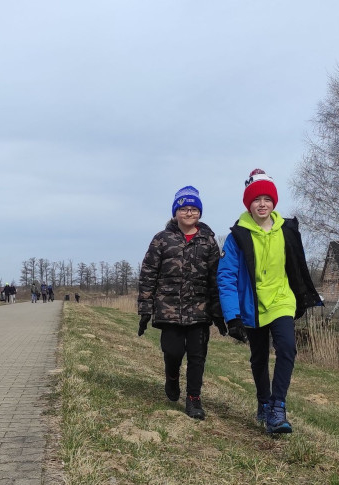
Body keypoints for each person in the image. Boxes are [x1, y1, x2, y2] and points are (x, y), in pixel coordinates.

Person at [216, 169, 322, 434]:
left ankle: (278, 407)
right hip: (252, 305)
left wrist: (302, 296)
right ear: (248, 204)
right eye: (256, 199)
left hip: (281, 300)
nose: (262, 204)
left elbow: (297, 266)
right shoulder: (237, 237)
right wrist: (232, 316)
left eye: (267, 198)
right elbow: (227, 277)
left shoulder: (287, 230)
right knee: (259, 357)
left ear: (274, 202)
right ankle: (263, 401)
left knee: (287, 348)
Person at [138, 185, 226, 420]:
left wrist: (218, 313)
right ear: (176, 212)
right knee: (173, 351)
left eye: (193, 209)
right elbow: (148, 274)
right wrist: (145, 309)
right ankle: (172, 378)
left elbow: (215, 277)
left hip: (199, 310)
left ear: (199, 212)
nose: (189, 213)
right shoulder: (162, 239)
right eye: (184, 209)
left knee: (197, 356)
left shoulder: (207, 240)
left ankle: (194, 399)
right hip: (169, 310)